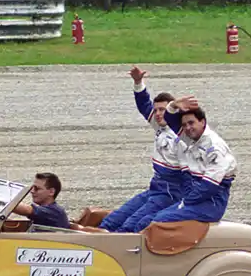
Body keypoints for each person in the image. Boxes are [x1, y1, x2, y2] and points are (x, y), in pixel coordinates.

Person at [98, 66, 187, 233]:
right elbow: (144, 105)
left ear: (173, 112)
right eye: (157, 110)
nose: (158, 114)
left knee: (129, 227)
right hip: (155, 190)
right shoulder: (159, 125)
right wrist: (138, 83)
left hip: (170, 195)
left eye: (163, 110)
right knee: (110, 222)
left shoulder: (182, 136)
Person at [140, 102, 237, 228]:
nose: (188, 128)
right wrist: (173, 105)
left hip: (211, 203)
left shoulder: (214, 147)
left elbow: (209, 187)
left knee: (159, 221)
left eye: (191, 123)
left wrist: (186, 201)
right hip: (197, 198)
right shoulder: (193, 138)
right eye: (184, 125)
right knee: (147, 220)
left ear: (203, 122)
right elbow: (170, 120)